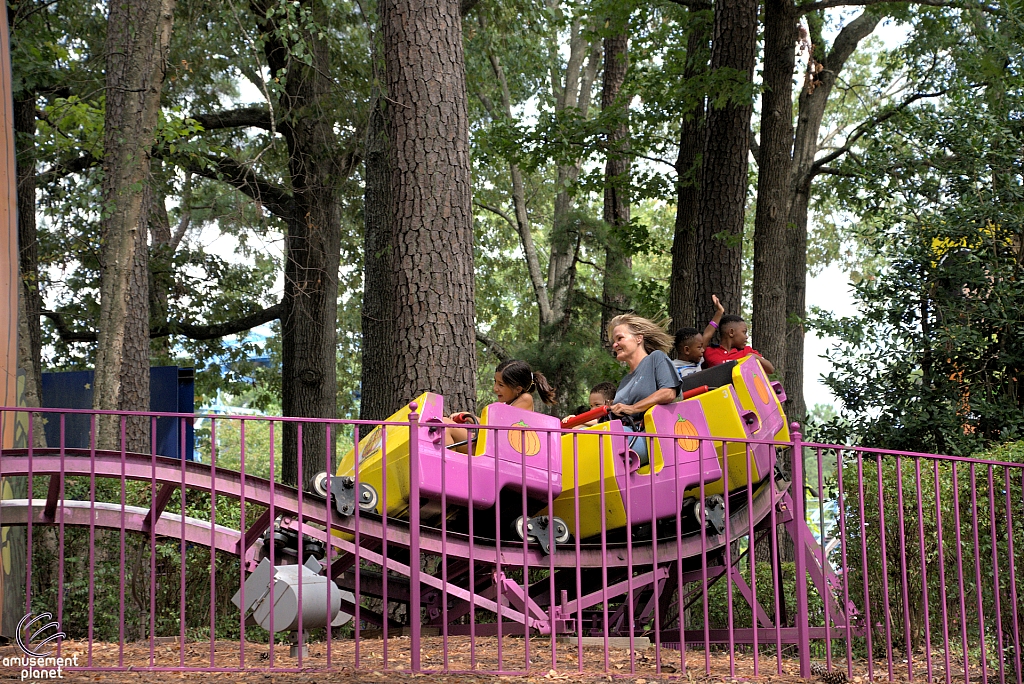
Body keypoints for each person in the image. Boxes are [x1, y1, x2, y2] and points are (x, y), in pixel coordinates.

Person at [606, 314, 681, 462]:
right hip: (625, 434)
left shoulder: (656, 359)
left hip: (651, 437)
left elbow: (668, 392)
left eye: (619, 338)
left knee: (598, 440)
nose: (614, 345)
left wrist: (633, 408)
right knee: (580, 435)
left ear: (638, 338)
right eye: (614, 341)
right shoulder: (625, 381)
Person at [445, 359, 556, 448]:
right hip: (489, 445)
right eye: (495, 382)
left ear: (518, 389)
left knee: (445, 426)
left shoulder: (525, 399)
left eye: (501, 385)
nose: (495, 388)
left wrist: (471, 417)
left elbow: (500, 428)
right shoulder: (507, 404)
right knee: (442, 424)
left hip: (497, 451)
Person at [702, 313, 776, 374]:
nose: (746, 337)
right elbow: (706, 336)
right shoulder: (709, 352)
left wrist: (754, 357)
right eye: (744, 332)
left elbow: (770, 369)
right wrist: (719, 312)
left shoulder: (747, 351)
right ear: (731, 332)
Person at [672, 295, 725, 379]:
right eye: (699, 347)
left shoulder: (696, 360)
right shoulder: (672, 370)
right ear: (687, 350)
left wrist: (719, 312)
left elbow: (708, 334)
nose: (703, 350)